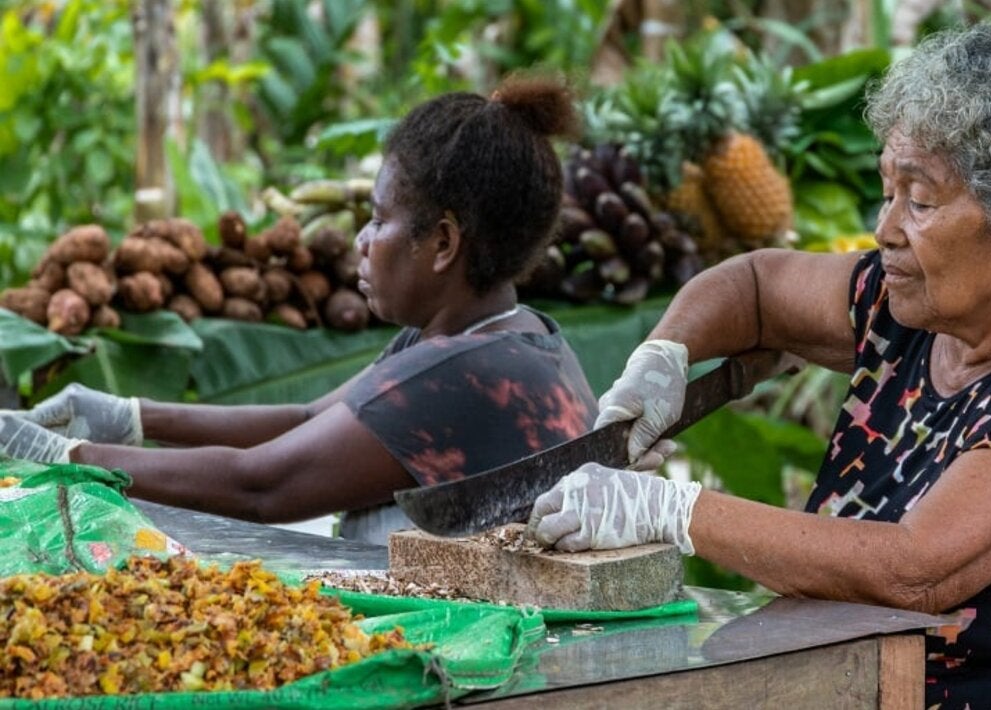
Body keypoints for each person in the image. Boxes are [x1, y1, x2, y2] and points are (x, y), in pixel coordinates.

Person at [527, 24, 991, 707]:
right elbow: (757, 287)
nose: (886, 228)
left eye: (920, 200)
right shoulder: (908, 307)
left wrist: (673, 511)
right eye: (889, 192)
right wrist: (662, 358)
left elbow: (917, 570)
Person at [0, 78, 598, 546]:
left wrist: (66, 457)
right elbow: (313, 415)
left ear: (442, 243)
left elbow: (261, 485)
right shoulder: (506, 335)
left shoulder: (468, 375)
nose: (362, 240)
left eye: (378, 218)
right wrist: (132, 416)